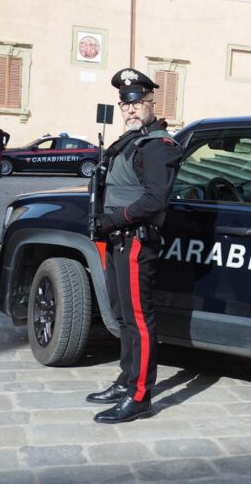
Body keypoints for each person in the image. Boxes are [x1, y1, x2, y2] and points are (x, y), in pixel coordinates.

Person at [86, 68, 182, 424]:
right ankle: (126, 381)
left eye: (138, 102)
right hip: (116, 239)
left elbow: (155, 201)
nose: (131, 109)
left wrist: (112, 220)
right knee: (122, 317)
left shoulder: (158, 146)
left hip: (135, 240)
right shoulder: (129, 141)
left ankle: (140, 396)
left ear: (151, 103)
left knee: (139, 320)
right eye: (125, 104)